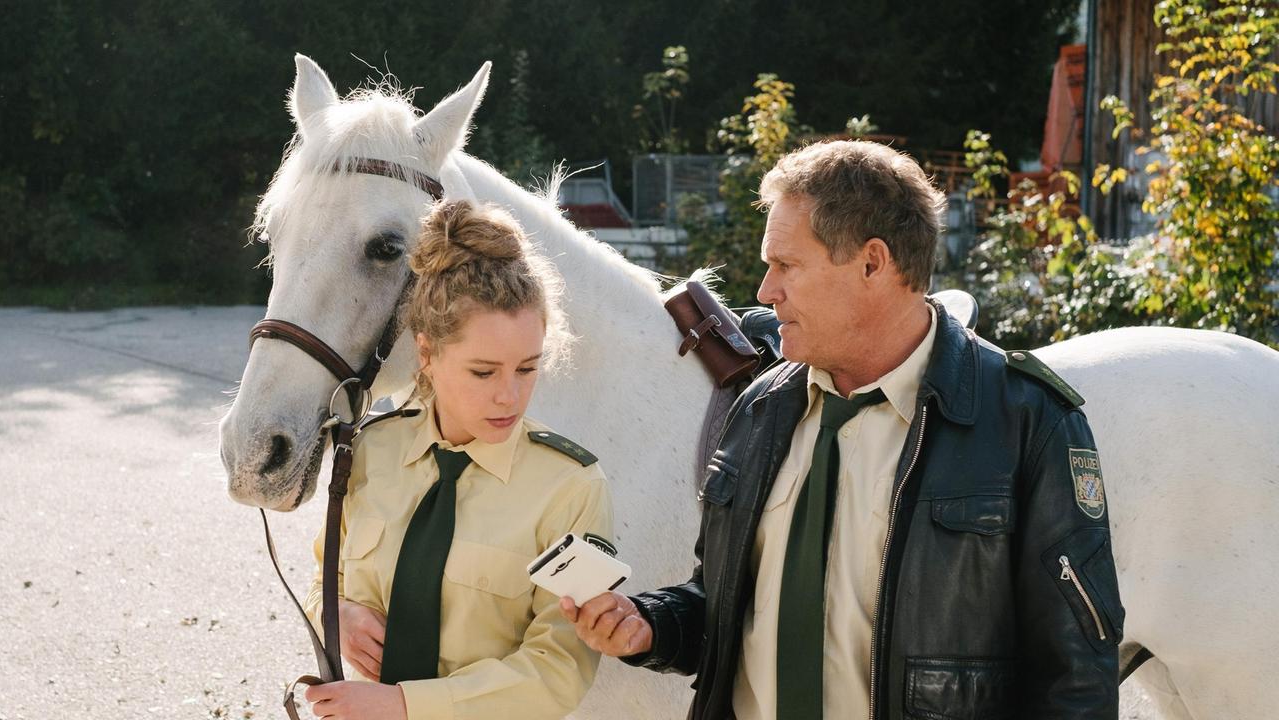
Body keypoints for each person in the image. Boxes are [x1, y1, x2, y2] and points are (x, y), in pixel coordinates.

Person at [562, 140, 1123, 719]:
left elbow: (1075, 680)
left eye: (786, 265)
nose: (764, 291)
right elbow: (724, 607)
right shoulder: (760, 408)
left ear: (872, 263)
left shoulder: (1029, 422)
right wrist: (649, 627)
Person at [302, 199, 614, 720]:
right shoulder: (370, 453)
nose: (509, 397)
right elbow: (324, 575)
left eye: (527, 368)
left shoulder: (572, 487)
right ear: (426, 354)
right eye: (484, 372)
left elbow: (560, 667)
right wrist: (336, 612)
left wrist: (404, 705)